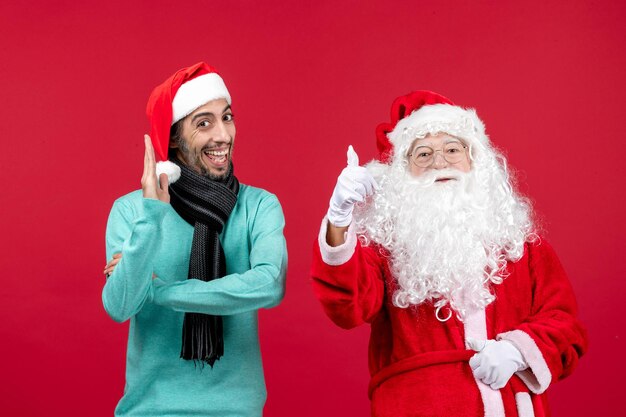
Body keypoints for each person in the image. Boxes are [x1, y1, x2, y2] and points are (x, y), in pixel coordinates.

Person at [311, 91, 587, 417]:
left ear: (475, 160)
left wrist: (517, 350)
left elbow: (565, 324)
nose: (440, 162)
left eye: (452, 149)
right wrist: (339, 219)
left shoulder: (521, 244)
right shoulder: (384, 248)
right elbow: (347, 307)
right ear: (402, 173)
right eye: (423, 154)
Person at [102, 62, 287, 417]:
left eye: (227, 117)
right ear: (174, 137)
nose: (223, 135)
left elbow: (270, 284)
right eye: (204, 123)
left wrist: (158, 290)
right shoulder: (132, 211)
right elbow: (120, 305)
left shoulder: (258, 205)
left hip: (237, 409)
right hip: (150, 410)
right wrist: (152, 217)